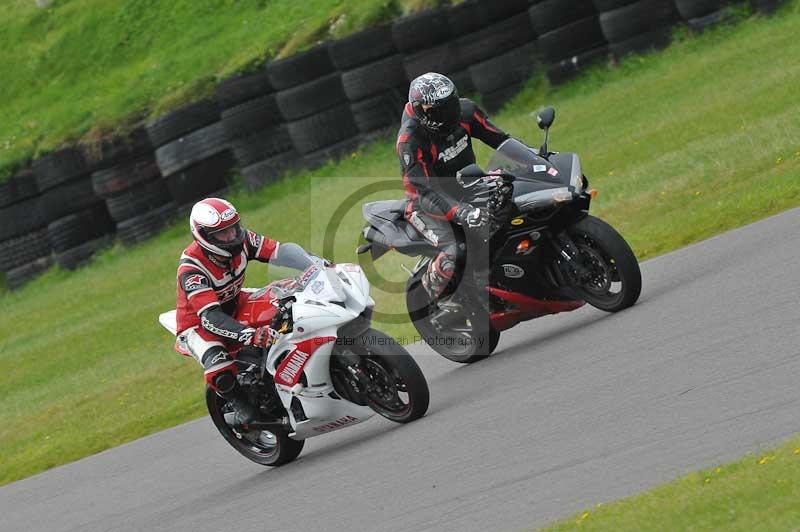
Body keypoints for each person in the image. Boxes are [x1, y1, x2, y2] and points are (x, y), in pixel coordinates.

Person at [397, 72, 511, 298]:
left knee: (511, 201)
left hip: (469, 185)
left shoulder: (466, 112)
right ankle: (429, 294)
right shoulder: (411, 140)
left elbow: (503, 141)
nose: (451, 112)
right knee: (456, 251)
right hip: (426, 204)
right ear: (424, 112)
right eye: (442, 109)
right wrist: (461, 213)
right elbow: (424, 191)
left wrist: (536, 158)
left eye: (451, 103)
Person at [174, 197, 281, 427]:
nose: (231, 237)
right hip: (199, 324)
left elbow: (279, 251)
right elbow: (210, 317)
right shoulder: (192, 269)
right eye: (223, 234)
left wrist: (317, 264)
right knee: (219, 366)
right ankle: (239, 404)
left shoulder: (244, 240)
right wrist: (249, 334)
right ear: (204, 236)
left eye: (233, 229)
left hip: (235, 302)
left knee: (286, 301)